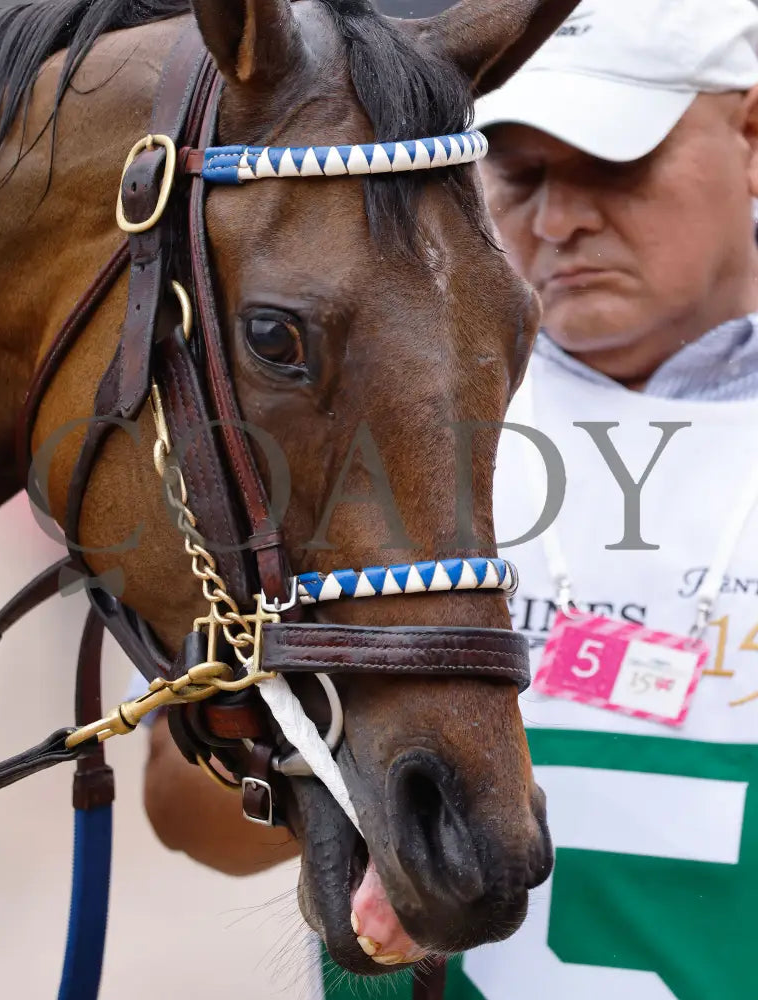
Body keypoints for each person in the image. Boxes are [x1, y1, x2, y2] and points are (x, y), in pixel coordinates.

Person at [141, 1, 758, 997]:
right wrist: (284, 738)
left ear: (749, 134)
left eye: (611, 166)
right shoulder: (363, 412)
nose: (557, 222)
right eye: (515, 172)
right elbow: (187, 822)